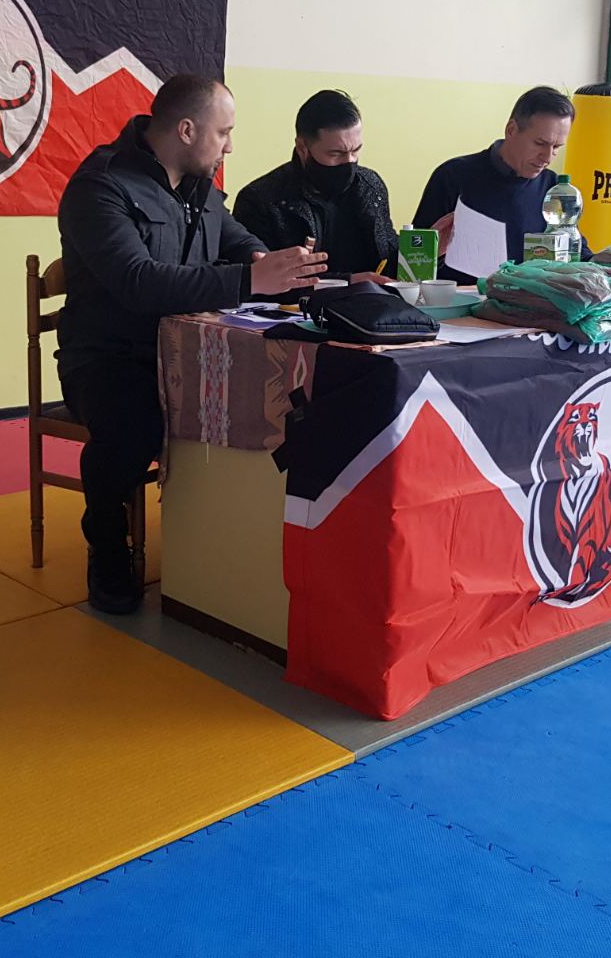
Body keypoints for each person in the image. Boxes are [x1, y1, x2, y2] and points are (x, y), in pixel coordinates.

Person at [56, 74, 327, 613]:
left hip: (191, 350)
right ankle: (106, 544)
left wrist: (263, 260)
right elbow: (137, 281)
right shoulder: (100, 187)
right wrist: (250, 280)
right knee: (133, 427)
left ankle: (218, 542)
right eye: (224, 132)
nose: (230, 146)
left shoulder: (198, 186)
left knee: (269, 403)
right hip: (110, 357)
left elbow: (234, 236)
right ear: (186, 130)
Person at [412, 85, 592, 283]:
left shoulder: (553, 188)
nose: (548, 157)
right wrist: (433, 248)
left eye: (557, 147)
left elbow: (579, 255)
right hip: (459, 297)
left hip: (527, 299)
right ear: (511, 130)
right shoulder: (453, 176)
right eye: (540, 143)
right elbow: (411, 260)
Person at [230, 90, 398, 283]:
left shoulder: (371, 187)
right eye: (335, 154)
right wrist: (348, 282)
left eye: (356, 150)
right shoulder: (261, 200)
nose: (349, 161)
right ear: (302, 148)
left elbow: (388, 255)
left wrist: (418, 252)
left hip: (375, 301)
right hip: (301, 303)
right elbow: (263, 280)